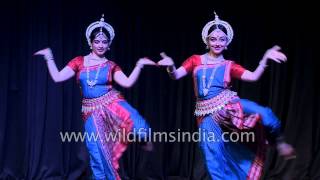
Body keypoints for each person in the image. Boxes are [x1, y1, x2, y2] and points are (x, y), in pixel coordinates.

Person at [157, 12, 295, 179]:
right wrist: (171, 66)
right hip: (206, 115)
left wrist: (265, 58)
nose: (217, 42)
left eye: (222, 39)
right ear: (207, 41)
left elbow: (253, 77)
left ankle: (279, 141)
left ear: (227, 42)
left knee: (264, 113)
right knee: (213, 156)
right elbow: (176, 75)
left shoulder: (229, 65)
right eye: (213, 39)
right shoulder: (195, 60)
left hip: (229, 105)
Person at [34, 15, 155, 180]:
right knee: (97, 153)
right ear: (90, 42)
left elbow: (127, 82)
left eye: (104, 42)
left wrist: (139, 65)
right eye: (97, 41)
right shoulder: (78, 62)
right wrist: (49, 56)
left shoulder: (111, 66)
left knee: (139, 125)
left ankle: (142, 140)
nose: (100, 45)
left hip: (112, 104)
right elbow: (57, 77)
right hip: (91, 112)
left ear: (109, 44)